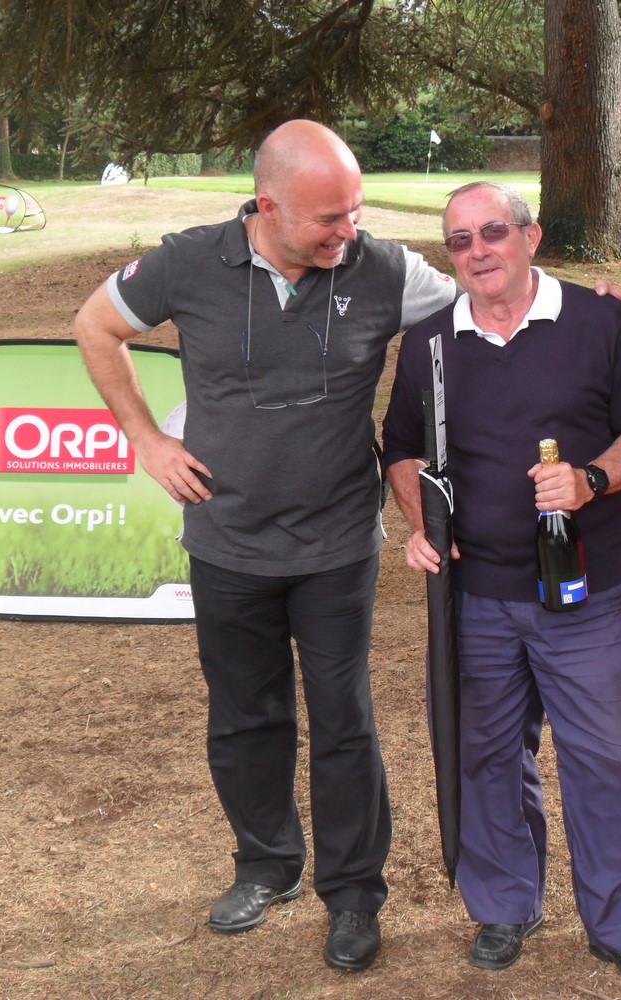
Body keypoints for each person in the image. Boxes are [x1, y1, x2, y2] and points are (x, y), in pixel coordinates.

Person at [72, 119, 459, 972]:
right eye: (328, 218)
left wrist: (604, 310)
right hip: (227, 541)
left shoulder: (383, 268)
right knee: (246, 715)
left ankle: (352, 894)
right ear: (267, 205)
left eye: (355, 210)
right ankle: (266, 865)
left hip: (336, 545)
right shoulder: (188, 262)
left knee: (344, 719)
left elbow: (490, 306)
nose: (347, 230)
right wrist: (146, 439)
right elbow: (96, 326)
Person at [383, 181, 621, 993]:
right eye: (459, 241)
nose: (477, 252)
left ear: (530, 235)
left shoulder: (598, 323)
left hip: (581, 594)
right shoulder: (429, 343)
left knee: (606, 762)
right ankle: (506, 905)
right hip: (473, 597)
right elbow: (400, 447)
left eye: (492, 233)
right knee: (483, 756)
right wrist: (422, 523)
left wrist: (590, 480)